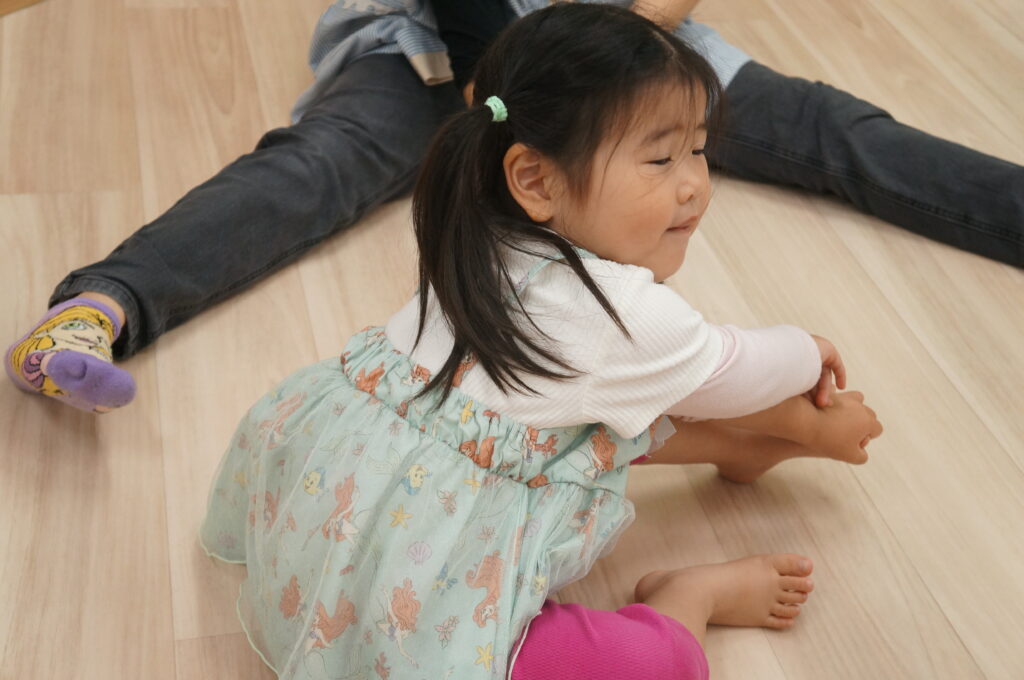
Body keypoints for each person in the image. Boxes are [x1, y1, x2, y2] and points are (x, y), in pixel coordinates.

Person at [199, 6, 883, 678]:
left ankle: (746, 443)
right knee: (654, 666)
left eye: (698, 150)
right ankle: (690, 596)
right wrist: (809, 350)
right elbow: (735, 367)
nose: (694, 186)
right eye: (661, 157)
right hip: (416, 586)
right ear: (534, 179)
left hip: (330, 510)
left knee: (580, 416)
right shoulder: (622, 316)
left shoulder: (481, 232)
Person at [6, 0, 1021, 413]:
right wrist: (530, 100)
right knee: (317, 167)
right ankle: (101, 305)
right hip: (437, 47)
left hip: (618, 47)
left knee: (836, 130)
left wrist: (613, 65)